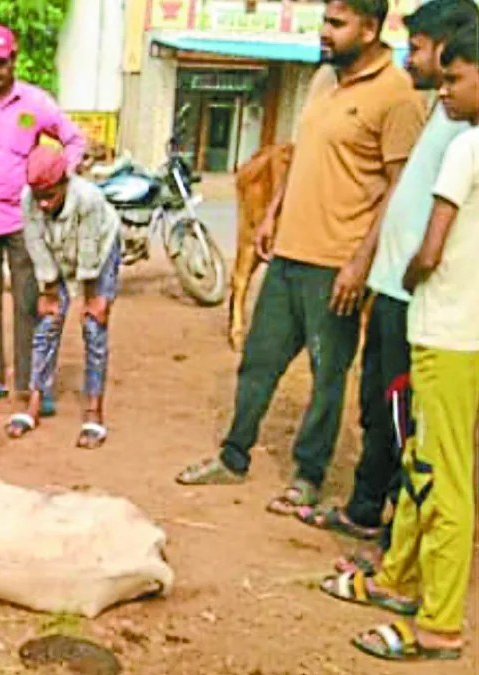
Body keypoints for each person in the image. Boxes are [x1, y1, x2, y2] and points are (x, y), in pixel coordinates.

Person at [175, 0, 426, 517]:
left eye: (337, 24)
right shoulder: (322, 81)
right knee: (258, 363)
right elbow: (300, 153)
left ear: (371, 27)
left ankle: (307, 477)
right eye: (324, 22)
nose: (324, 34)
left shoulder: (397, 96)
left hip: (337, 264)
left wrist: (359, 263)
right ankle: (233, 455)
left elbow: (400, 188)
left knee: (326, 375)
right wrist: (271, 215)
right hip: (289, 251)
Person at [292, 0, 479, 571]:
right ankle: (368, 513)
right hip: (397, 293)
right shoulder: (444, 115)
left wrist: (413, 269)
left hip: (422, 302)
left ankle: (399, 548)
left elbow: (440, 231)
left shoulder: (458, 127)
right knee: (381, 411)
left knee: (411, 432)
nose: (412, 59)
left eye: (419, 49)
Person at [0, 24, 86, 407]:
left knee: (29, 300)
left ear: (14, 60)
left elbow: (74, 139)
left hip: (23, 218)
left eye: (1, 63)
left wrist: (59, 179)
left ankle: (31, 384)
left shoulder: (36, 104)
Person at [5, 145, 120, 447]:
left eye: (50, 196)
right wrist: (49, 290)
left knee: (94, 327)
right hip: (58, 252)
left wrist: (93, 298)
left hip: (99, 251)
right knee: (47, 323)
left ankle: (94, 412)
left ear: (65, 183)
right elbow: (36, 246)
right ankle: (33, 402)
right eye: (38, 196)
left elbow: (89, 249)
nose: (43, 204)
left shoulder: (88, 199)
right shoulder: (28, 200)